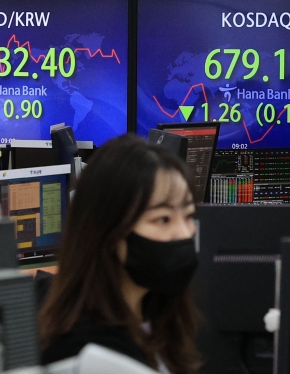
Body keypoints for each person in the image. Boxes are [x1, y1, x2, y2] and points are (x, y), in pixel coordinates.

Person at [38, 134, 202, 373]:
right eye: (163, 219)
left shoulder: (156, 316)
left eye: (188, 216)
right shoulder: (85, 354)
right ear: (109, 231)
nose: (184, 233)